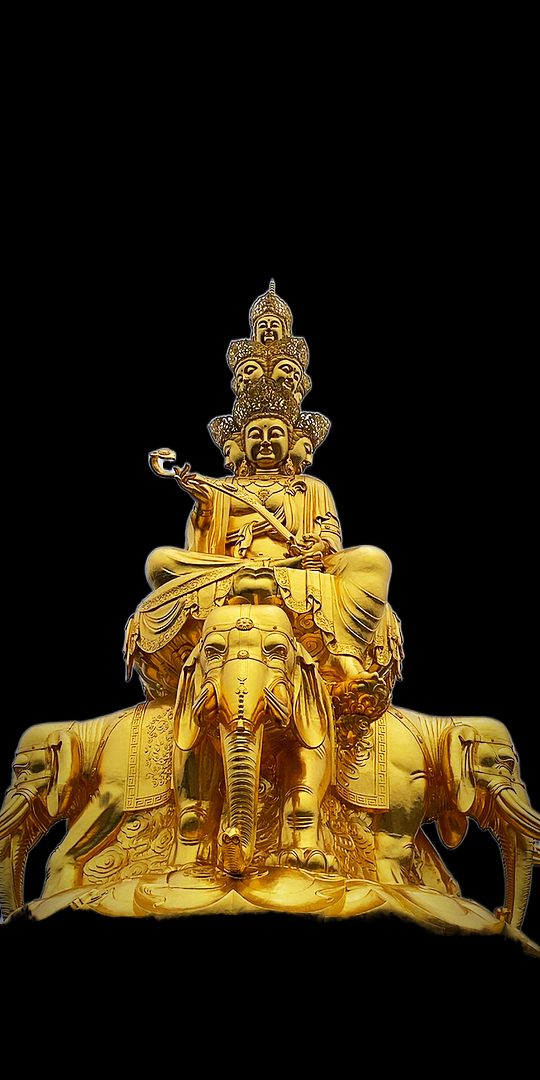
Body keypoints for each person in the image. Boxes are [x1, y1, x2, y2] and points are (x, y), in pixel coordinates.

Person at [125, 379, 402, 703]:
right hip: (230, 567)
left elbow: (329, 535)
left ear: (293, 442)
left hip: (296, 568)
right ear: (241, 444)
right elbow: (198, 547)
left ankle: (347, 658)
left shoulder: (311, 488)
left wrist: (317, 547)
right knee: (159, 560)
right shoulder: (221, 489)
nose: (266, 441)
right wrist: (205, 508)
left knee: (372, 559)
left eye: (275, 434)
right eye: (255, 434)